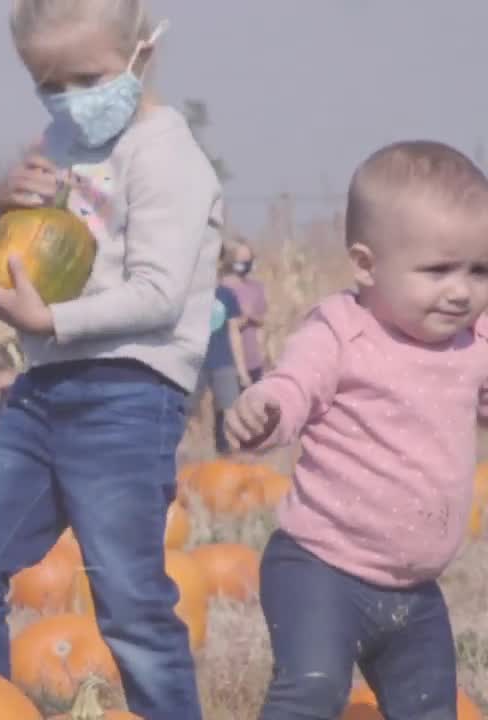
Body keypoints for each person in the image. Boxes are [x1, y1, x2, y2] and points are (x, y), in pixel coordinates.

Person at [0, 2, 224, 717]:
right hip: (40, 397)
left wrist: (51, 319)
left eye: (87, 77)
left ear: (141, 54)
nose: (70, 99)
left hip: (129, 396)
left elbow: (158, 295)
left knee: (130, 602)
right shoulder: (55, 143)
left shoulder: (166, 155)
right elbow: (7, 262)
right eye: (48, 82)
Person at [225, 141, 488, 719]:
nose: (462, 289)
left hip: (416, 590)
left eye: (478, 269)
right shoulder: (343, 330)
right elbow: (296, 384)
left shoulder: (475, 340)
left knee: (432, 710)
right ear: (367, 265)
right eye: (438, 269)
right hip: (321, 569)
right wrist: (266, 408)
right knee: (314, 690)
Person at [194, 241, 251, 454]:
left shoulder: (226, 295)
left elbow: (234, 333)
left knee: (230, 414)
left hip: (224, 363)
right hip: (194, 363)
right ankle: (187, 462)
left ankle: (229, 463)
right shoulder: (189, 294)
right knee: (186, 415)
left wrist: (242, 371)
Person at [220, 234, 270, 381]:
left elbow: (263, 322)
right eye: (242, 260)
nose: (247, 263)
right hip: (230, 364)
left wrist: (251, 317)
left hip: (256, 361)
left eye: (249, 260)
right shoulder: (223, 290)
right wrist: (239, 320)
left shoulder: (257, 288)